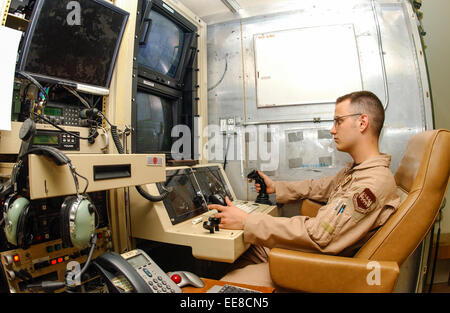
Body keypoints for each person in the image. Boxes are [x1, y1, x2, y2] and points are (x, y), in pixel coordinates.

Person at [207, 90, 401, 288]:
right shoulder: (357, 170)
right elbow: (320, 186)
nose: (332, 130)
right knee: (247, 250)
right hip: (312, 253)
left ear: (362, 122)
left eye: (338, 121)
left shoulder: (371, 184)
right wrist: (277, 187)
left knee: (223, 288)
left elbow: (319, 234)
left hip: (317, 266)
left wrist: (246, 221)